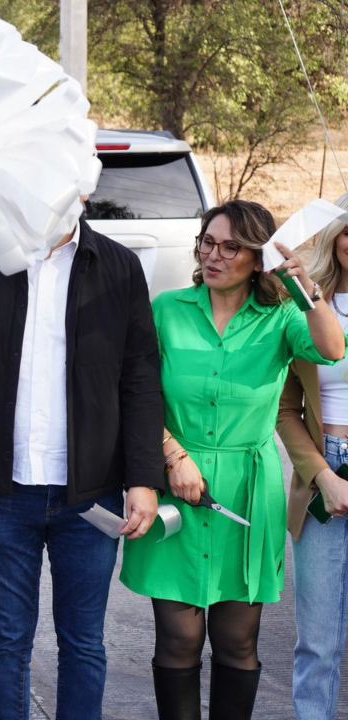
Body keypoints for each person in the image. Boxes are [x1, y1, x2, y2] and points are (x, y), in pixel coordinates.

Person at [0, 176, 164, 720]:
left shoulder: (119, 266)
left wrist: (143, 478)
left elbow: (140, 377)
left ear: (83, 192)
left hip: (93, 494)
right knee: (6, 640)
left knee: (83, 642)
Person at [122, 200, 345, 719]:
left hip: (247, 490)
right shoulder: (167, 310)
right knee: (177, 639)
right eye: (208, 242)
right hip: (174, 480)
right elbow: (135, 393)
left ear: (257, 256)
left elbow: (333, 350)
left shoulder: (282, 317)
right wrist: (170, 454)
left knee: (236, 643)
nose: (214, 254)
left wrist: (307, 291)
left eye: (231, 246)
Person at [278, 192, 348, 720]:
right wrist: (322, 473)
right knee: (318, 642)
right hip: (322, 473)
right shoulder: (303, 305)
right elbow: (286, 410)